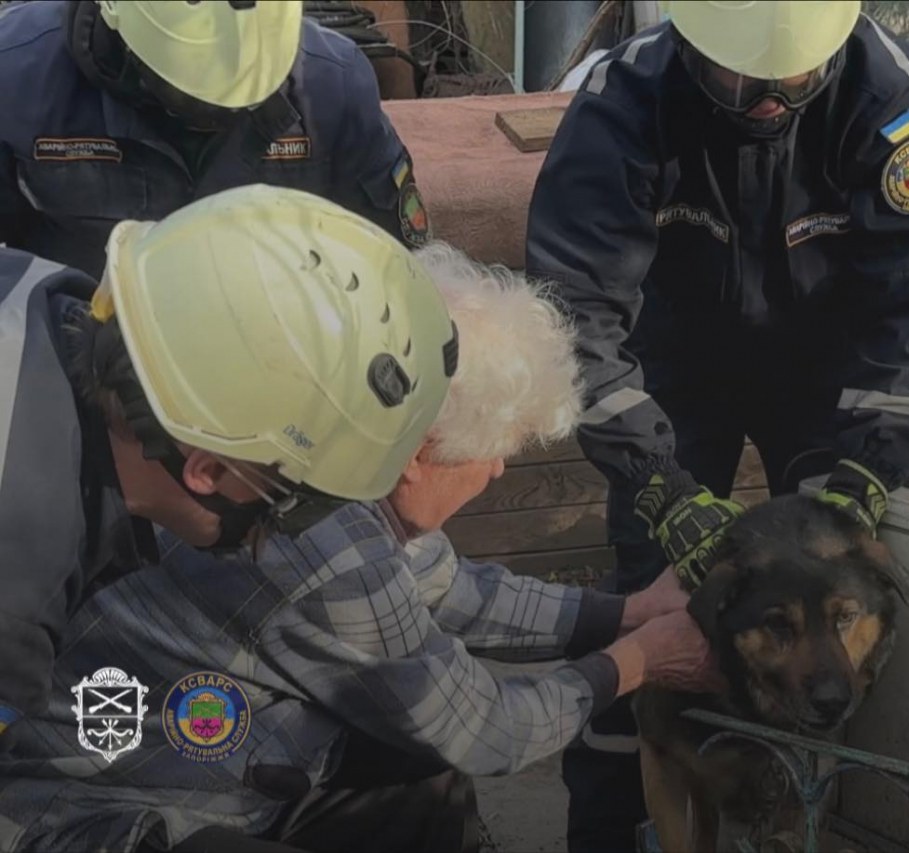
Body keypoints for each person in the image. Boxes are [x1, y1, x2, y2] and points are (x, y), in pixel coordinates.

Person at [0, 241, 716, 853]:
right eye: (494, 453)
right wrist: (640, 661)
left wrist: (625, 611)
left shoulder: (334, 454)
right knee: (428, 743)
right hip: (100, 800)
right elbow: (486, 727)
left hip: (201, 737)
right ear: (419, 450)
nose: (500, 471)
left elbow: (446, 588)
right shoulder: (311, 528)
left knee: (418, 769)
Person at [525, 1, 909, 849]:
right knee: (651, 597)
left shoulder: (896, 105)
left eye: (792, 77)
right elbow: (575, 311)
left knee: (827, 605)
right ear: (695, 40)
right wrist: (654, 481)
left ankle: (797, 818)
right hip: (670, 370)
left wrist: (868, 473)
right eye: (741, 76)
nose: (768, 98)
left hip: (828, 383)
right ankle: (609, 829)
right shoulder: (624, 100)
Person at [0, 184, 457, 749]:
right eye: (294, 508)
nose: (277, 539)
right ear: (208, 471)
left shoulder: (40, 291)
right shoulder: (17, 593)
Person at [0, 0, 431, 278]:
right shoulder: (17, 80)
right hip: (71, 374)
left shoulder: (331, 86)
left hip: (279, 367)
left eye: (244, 102)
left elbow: (398, 265)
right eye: (193, 102)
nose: (216, 120)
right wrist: (75, 330)